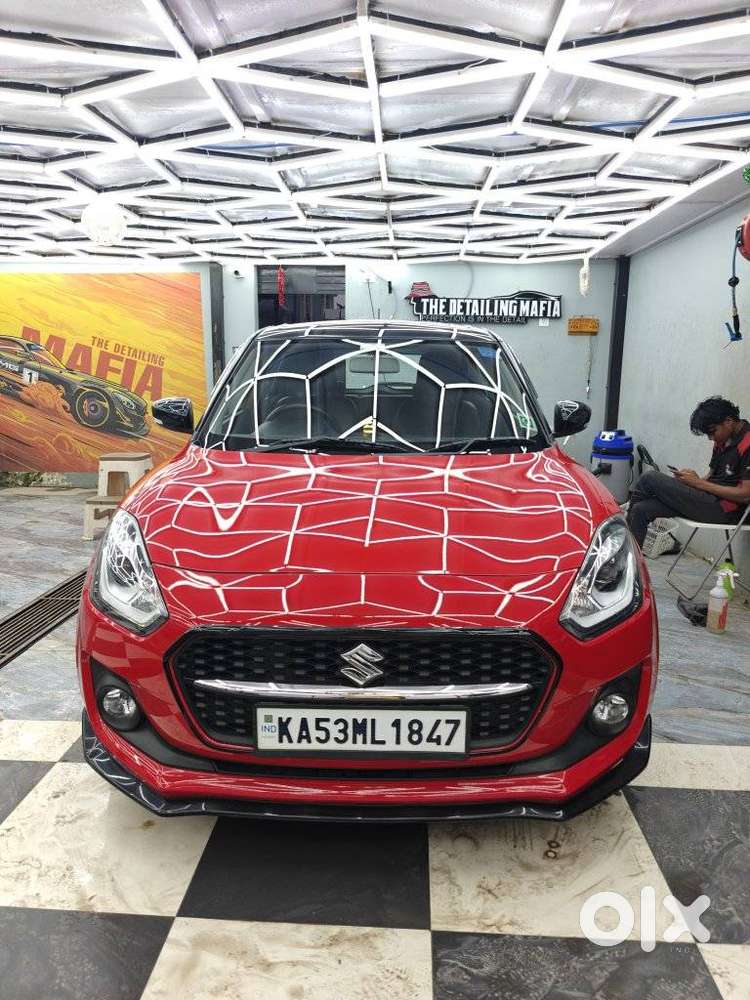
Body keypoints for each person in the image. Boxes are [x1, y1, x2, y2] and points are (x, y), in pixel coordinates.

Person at [627, 396, 750, 548]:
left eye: (712, 432)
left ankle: (619, 537)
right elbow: (711, 477)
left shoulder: (747, 443)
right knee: (640, 510)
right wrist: (692, 480)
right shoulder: (722, 440)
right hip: (708, 500)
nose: (711, 438)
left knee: (649, 478)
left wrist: (699, 484)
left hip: (727, 511)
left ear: (728, 421)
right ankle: (627, 558)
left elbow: (746, 495)